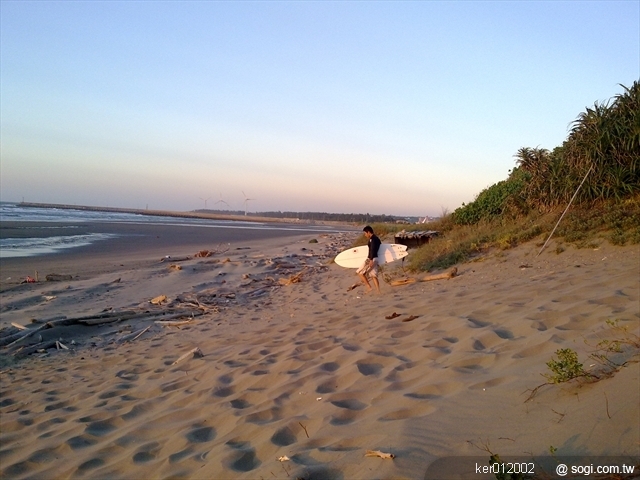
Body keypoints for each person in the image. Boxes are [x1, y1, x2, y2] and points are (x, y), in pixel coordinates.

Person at [357, 225, 381, 293]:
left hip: (371, 259)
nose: (365, 235)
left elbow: (373, 249)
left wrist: (371, 260)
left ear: (368, 232)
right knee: (373, 276)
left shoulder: (372, 239)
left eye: (365, 233)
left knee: (360, 273)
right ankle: (378, 291)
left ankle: (369, 287)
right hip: (376, 258)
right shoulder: (377, 238)